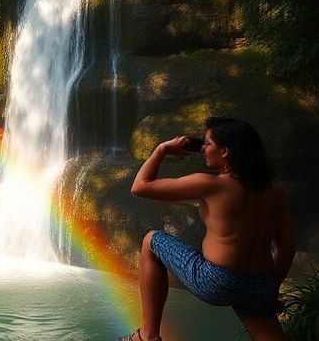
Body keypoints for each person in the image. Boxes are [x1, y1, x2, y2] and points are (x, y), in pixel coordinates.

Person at [118, 116, 295, 341]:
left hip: (216, 279)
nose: (202, 149)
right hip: (260, 283)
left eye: (208, 143)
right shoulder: (275, 190)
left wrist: (162, 149)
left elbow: (140, 187)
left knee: (151, 240)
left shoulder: (211, 184)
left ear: (225, 152)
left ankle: (147, 336)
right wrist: (271, 289)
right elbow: (287, 247)